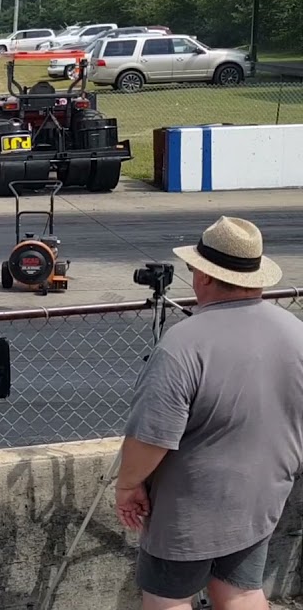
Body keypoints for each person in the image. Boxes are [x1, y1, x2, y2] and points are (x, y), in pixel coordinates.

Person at [116, 216, 303, 610]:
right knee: (241, 592)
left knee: (169, 599)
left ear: (203, 276)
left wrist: (127, 485)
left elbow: (150, 437)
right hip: (261, 498)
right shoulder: (294, 331)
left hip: (188, 511)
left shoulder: (184, 343)